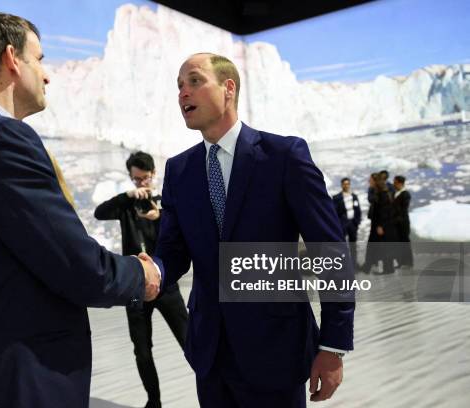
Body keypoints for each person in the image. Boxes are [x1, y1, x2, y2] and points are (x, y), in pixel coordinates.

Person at [0, 13, 161, 408]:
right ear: (12, 59)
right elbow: (75, 264)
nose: (46, 76)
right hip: (15, 386)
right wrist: (142, 273)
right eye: (40, 59)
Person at [155, 53, 354, 407]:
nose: (183, 93)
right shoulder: (179, 170)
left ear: (228, 87)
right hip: (210, 353)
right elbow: (172, 251)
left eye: (195, 81)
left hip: (277, 349)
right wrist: (148, 271)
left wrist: (333, 345)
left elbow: (330, 251)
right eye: (179, 86)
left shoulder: (284, 156)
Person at [94, 151, 188, 408]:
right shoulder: (127, 203)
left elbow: (181, 238)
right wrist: (127, 196)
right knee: (142, 350)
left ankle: (215, 392)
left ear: (153, 175)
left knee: (190, 341)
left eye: (145, 179)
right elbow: (100, 213)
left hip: (166, 285)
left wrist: (161, 218)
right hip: (135, 287)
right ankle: (153, 402)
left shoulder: (164, 202)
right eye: (136, 180)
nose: (141, 184)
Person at [371, 176, 399, 274]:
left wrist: (379, 226)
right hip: (390, 225)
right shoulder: (388, 194)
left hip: (384, 226)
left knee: (385, 247)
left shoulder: (381, 196)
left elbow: (382, 212)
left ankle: (387, 269)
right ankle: (390, 268)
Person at [332, 178, 361, 267]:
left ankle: (354, 263)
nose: (346, 185)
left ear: (349, 185)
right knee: (342, 244)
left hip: (352, 223)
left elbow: (357, 210)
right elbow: (334, 212)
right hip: (343, 224)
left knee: (353, 244)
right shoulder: (337, 197)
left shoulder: (354, 196)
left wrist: (357, 221)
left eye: (348, 184)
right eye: (344, 184)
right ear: (342, 185)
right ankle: (343, 263)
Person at [393, 175, 413, 267]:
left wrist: (396, 219)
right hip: (397, 222)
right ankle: (401, 261)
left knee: (405, 242)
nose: (394, 184)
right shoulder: (396, 193)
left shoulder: (405, 194)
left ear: (400, 183)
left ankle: (408, 262)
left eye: (395, 182)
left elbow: (403, 209)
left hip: (403, 222)